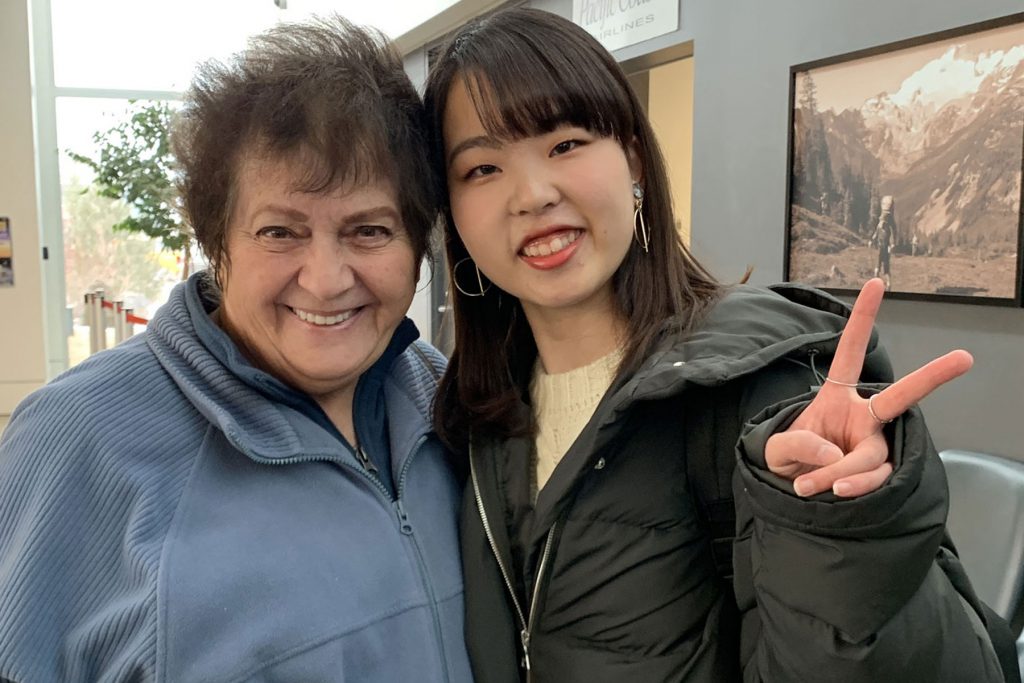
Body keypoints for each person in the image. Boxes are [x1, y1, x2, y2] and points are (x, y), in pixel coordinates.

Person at [424, 8, 1015, 683]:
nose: (532, 194)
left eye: (565, 144)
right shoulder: (466, 420)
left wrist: (837, 529)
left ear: (634, 159)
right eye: (481, 169)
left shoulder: (764, 390)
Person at [0, 17, 472, 683]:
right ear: (216, 242)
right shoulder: (81, 438)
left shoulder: (442, 397)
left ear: (418, 244)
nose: (327, 278)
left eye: (369, 230)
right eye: (281, 231)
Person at [872, 194, 897, 289]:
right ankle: (885, 283)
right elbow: (881, 229)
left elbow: (881, 228)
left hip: (884, 244)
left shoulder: (885, 218)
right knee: (883, 262)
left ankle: (880, 282)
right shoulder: (888, 218)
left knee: (881, 262)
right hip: (883, 244)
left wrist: (891, 244)